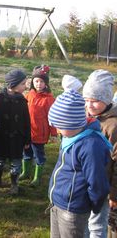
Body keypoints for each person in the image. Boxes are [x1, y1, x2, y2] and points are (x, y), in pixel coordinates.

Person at [48, 85, 111, 238]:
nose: (57, 129)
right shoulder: (71, 137)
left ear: (73, 123)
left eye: (59, 125)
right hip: (57, 204)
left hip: (73, 210)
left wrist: (91, 206)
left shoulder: (90, 145)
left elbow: (97, 182)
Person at [83, 70, 116, 238]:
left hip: (104, 186)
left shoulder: (113, 126)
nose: (89, 105)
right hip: (87, 183)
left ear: (107, 99)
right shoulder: (87, 117)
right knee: (87, 222)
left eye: (95, 101)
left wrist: (114, 194)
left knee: (101, 224)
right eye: (86, 100)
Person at [0, 69, 31, 195]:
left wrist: (27, 139)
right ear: (13, 84)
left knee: (16, 162)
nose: (25, 86)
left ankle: (14, 184)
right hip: (1, 137)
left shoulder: (22, 101)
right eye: (23, 84)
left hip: (17, 138)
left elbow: (26, 121)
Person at [20, 65, 57, 186]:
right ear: (32, 82)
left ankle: (37, 177)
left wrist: (53, 133)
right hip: (27, 132)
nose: (39, 84)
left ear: (46, 83)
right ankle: (26, 172)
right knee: (26, 152)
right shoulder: (29, 95)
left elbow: (52, 117)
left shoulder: (49, 99)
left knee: (38, 155)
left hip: (40, 134)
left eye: (42, 81)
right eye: (36, 81)